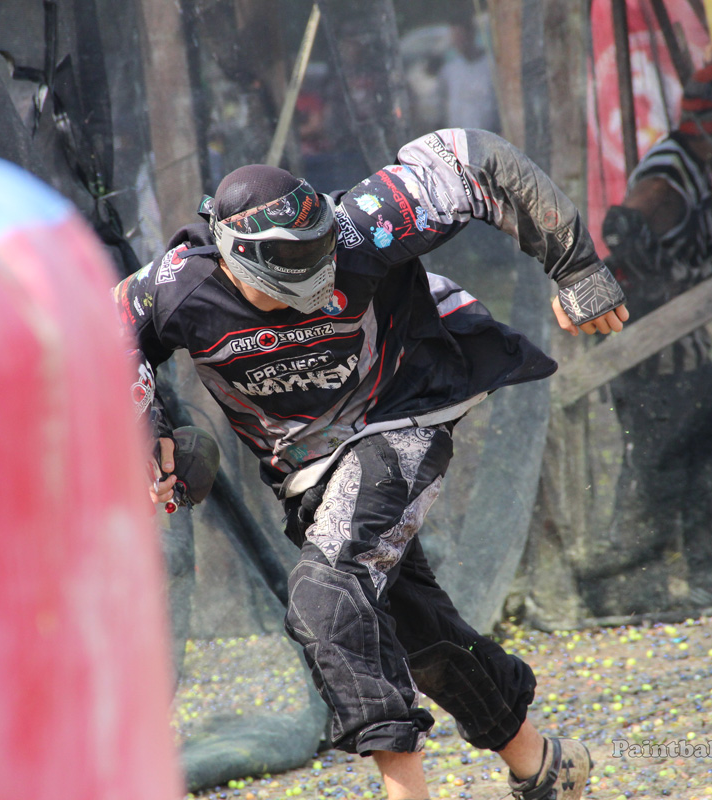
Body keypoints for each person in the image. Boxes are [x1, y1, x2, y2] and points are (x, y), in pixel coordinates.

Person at [113, 127, 629, 800]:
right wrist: (149, 434)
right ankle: (543, 765)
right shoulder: (176, 287)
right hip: (307, 469)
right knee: (414, 626)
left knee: (327, 593)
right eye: (290, 268)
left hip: (404, 411)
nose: (316, 280)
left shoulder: (365, 225)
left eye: (318, 253)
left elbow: (472, 158)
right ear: (234, 258)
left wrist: (578, 267)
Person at [586, 49, 712, 614]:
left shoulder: (691, 163)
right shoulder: (671, 167)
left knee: (711, 464)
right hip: (655, 354)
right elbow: (624, 224)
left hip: (684, 353)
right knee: (656, 470)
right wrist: (656, 295)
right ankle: (631, 591)